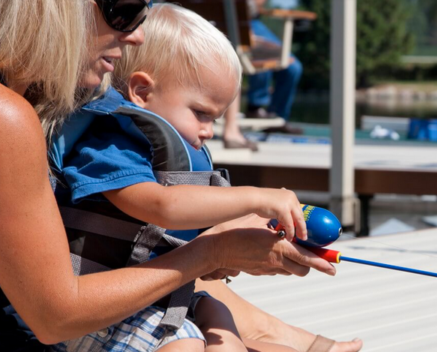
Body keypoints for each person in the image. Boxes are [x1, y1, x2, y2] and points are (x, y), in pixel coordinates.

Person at [0, 1, 335, 351]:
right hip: (60, 321)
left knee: (222, 323)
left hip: (92, 310)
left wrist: (229, 237)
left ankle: (276, 335)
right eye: (124, 10)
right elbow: (56, 315)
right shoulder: (15, 118)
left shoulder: (50, 102)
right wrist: (219, 246)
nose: (138, 34)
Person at [111, 4, 362, 351]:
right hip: (118, 307)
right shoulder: (111, 146)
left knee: (217, 313)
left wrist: (242, 232)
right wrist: (256, 197)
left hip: (162, 295)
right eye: (201, 113)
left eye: (216, 119)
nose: (209, 132)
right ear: (142, 92)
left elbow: (181, 228)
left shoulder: (162, 146)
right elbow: (161, 206)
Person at [245, 0, 304, 135]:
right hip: (233, 23)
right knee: (263, 55)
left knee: (293, 67)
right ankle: (255, 107)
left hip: (254, 22)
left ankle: (278, 117)